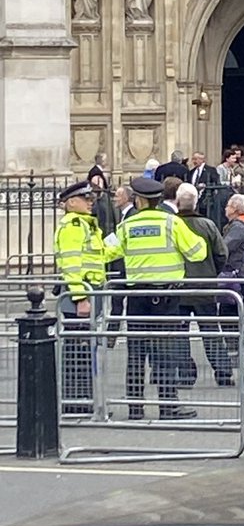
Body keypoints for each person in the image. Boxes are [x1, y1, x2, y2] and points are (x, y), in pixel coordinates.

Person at [105, 176, 207, 421]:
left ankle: (135, 408)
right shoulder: (172, 223)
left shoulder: (127, 226)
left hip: (137, 297)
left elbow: (107, 251)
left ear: (139, 200)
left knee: (136, 354)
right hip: (166, 298)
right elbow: (198, 252)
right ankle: (168, 406)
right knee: (165, 353)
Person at [53, 180, 107, 415]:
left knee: (85, 349)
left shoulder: (86, 225)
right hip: (80, 295)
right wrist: (80, 297)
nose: (90, 202)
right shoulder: (74, 225)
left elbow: (100, 254)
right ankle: (76, 401)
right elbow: (71, 263)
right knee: (78, 349)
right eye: (86, 199)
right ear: (71, 203)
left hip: (90, 291)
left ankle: (83, 398)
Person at [175, 183, 232, 387]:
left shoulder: (171, 225)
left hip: (179, 286)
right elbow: (221, 253)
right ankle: (223, 371)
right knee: (210, 331)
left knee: (180, 334)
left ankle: (186, 374)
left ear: (177, 202)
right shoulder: (207, 225)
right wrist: (211, 272)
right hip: (204, 284)